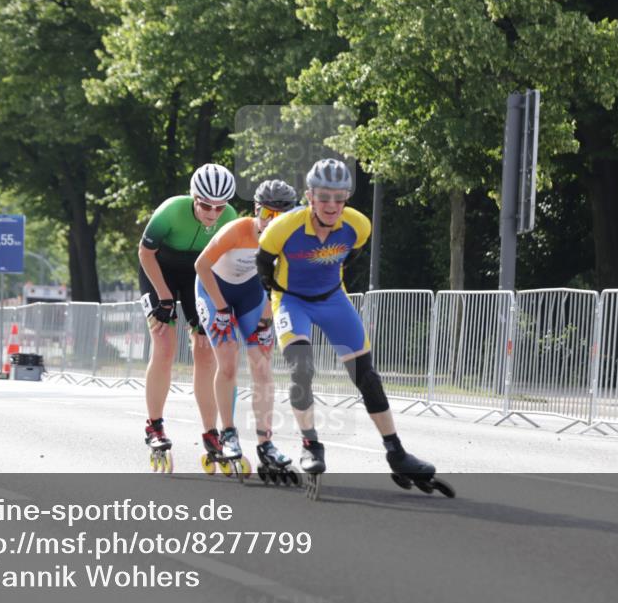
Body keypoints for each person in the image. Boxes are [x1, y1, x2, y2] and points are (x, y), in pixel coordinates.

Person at [256, 158, 438, 483]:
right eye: (324, 197)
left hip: (333, 299)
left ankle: (396, 451)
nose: (331, 205)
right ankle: (311, 444)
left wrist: (327, 281)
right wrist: (277, 299)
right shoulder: (283, 227)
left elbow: (352, 254)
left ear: (347, 199)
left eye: (339, 198)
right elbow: (263, 265)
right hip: (291, 300)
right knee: (302, 369)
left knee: (366, 376)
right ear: (309, 196)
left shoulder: (358, 225)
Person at [193, 180, 299, 475]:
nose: (270, 222)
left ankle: (266, 443)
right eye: (266, 213)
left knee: (262, 365)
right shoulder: (238, 230)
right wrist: (222, 308)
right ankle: (227, 433)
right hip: (214, 291)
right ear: (256, 209)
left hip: (251, 294)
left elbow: (275, 283)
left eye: (280, 217)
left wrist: (266, 319)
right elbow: (201, 266)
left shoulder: (288, 240)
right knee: (227, 363)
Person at [138, 163, 238, 462]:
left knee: (206, 351)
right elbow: (145, 253)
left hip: (197, 274)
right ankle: (154, 426)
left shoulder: (230, 219)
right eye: (206, 205)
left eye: (219, 207)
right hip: (159, 270)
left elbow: (226, 265)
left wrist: (221, 304)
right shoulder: (170, 210)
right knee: (165, 345)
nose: (212, 213)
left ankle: (211, 432)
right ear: (194, 197)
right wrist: (165, 298)